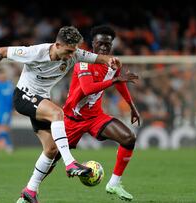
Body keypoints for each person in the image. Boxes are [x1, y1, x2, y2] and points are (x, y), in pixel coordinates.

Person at [0, 26, 122, 203]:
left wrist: (112, 61)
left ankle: (29, 191)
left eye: (74, 51)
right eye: (68, 51)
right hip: (23, 96)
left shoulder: (74, 54)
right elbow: (0, 51)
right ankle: (70, 163)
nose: (71, 56)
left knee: (51, 149)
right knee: (57, 113)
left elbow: (99, 58)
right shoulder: (35, 52)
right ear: (57, 45)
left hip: (41, 100)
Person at [41, 25, 140, 201]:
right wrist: (116, 79)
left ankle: (114, 184)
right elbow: (87, 89)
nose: (104, 47)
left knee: (128, 138)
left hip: (95, 118)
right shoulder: (82, 61)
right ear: (92, 43)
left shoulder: (112, 63)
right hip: (72, 119)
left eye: (107, 44)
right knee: (52, 158)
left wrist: (132, 106)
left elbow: (120, 83)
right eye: (100, 43)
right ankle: (30, 191)